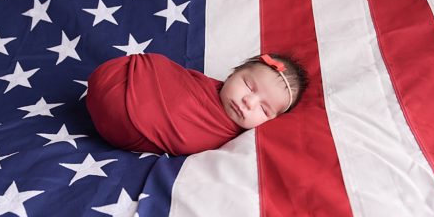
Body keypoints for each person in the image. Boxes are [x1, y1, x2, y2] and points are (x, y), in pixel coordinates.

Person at [86, 51, 308, 155]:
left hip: (125, 120)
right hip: (121, 76)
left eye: (263, 109)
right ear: (232, 74)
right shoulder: (204, 86)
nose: (248, 102)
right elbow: (174, 78)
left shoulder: (234, 139)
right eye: (249, 86)